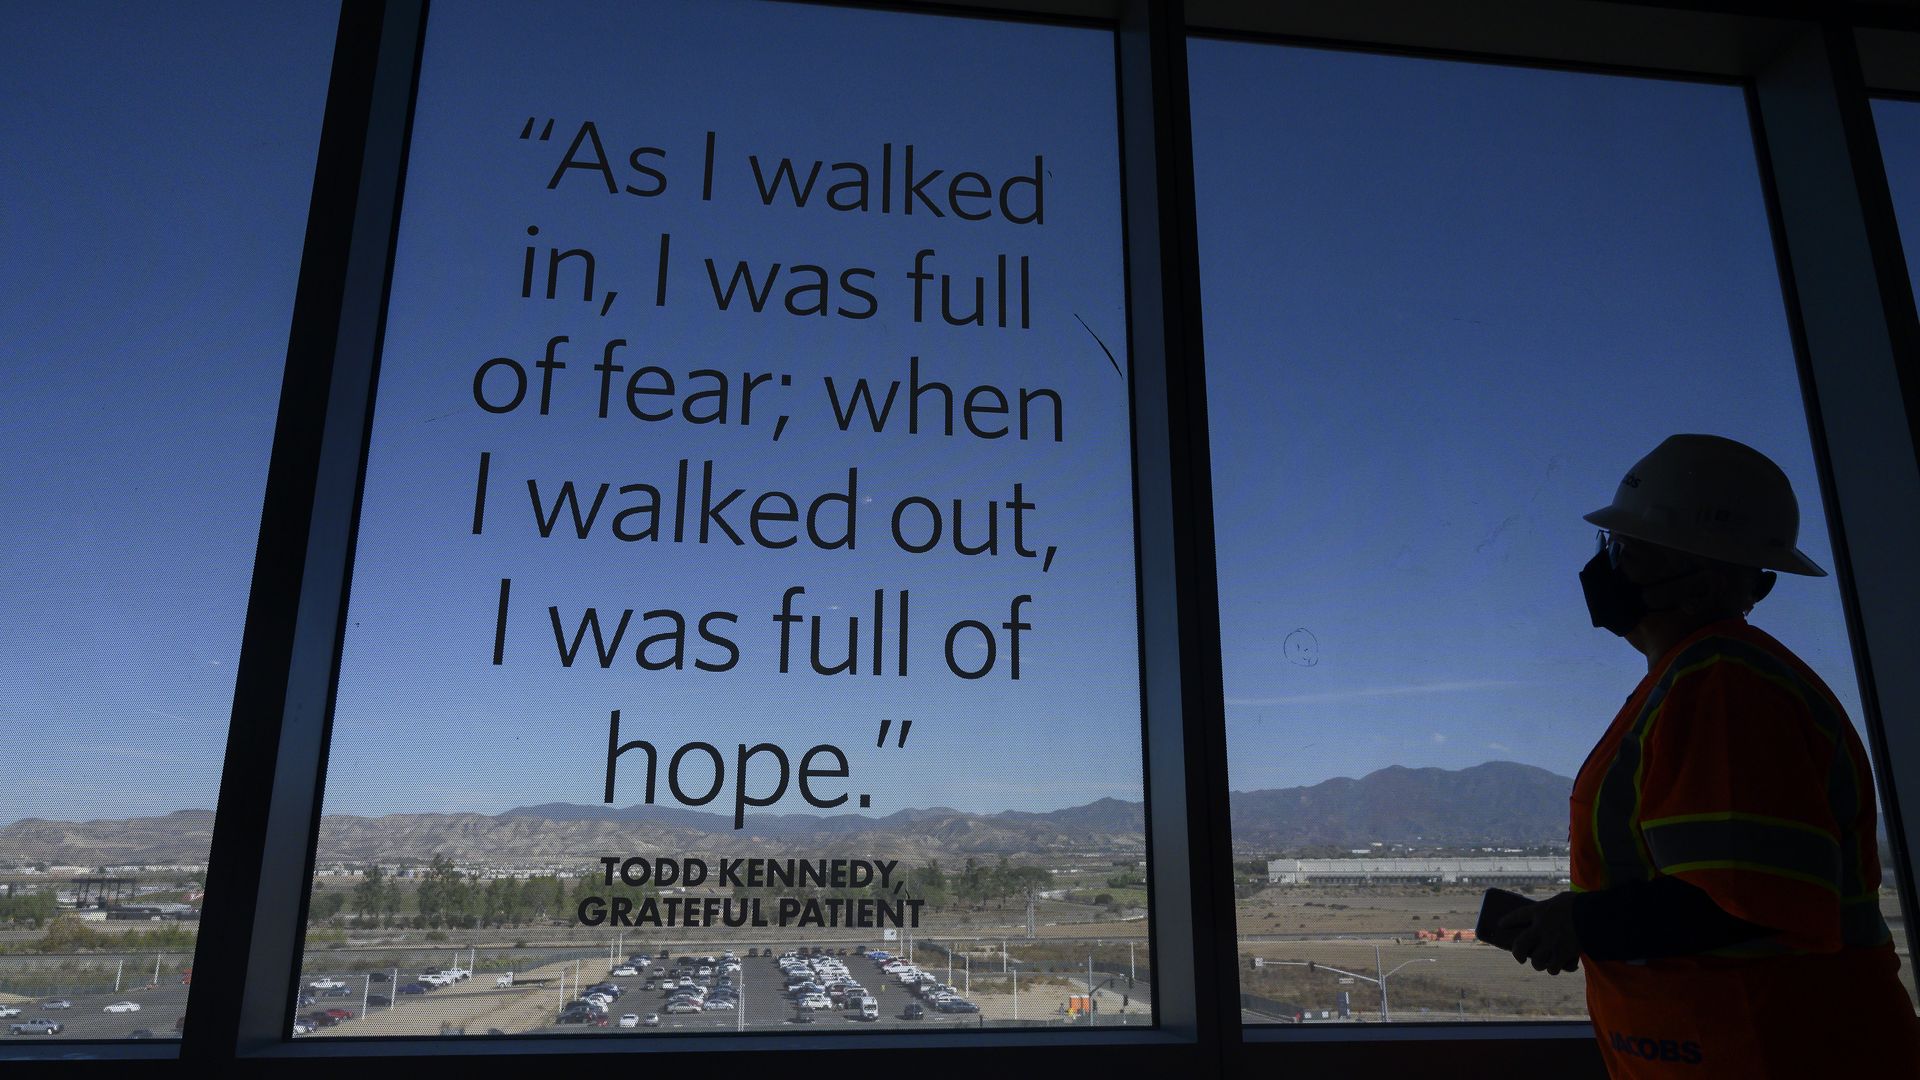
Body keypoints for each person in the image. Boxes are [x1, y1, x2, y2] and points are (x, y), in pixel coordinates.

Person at [1498, 434, 1920, 1077]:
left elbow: (1738, 897)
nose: (1605, 566)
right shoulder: (1692, 680)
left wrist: (1580, 920)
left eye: (1624, 550)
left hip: (1778, 1051)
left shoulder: (1724, 684)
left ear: (1700, 582)